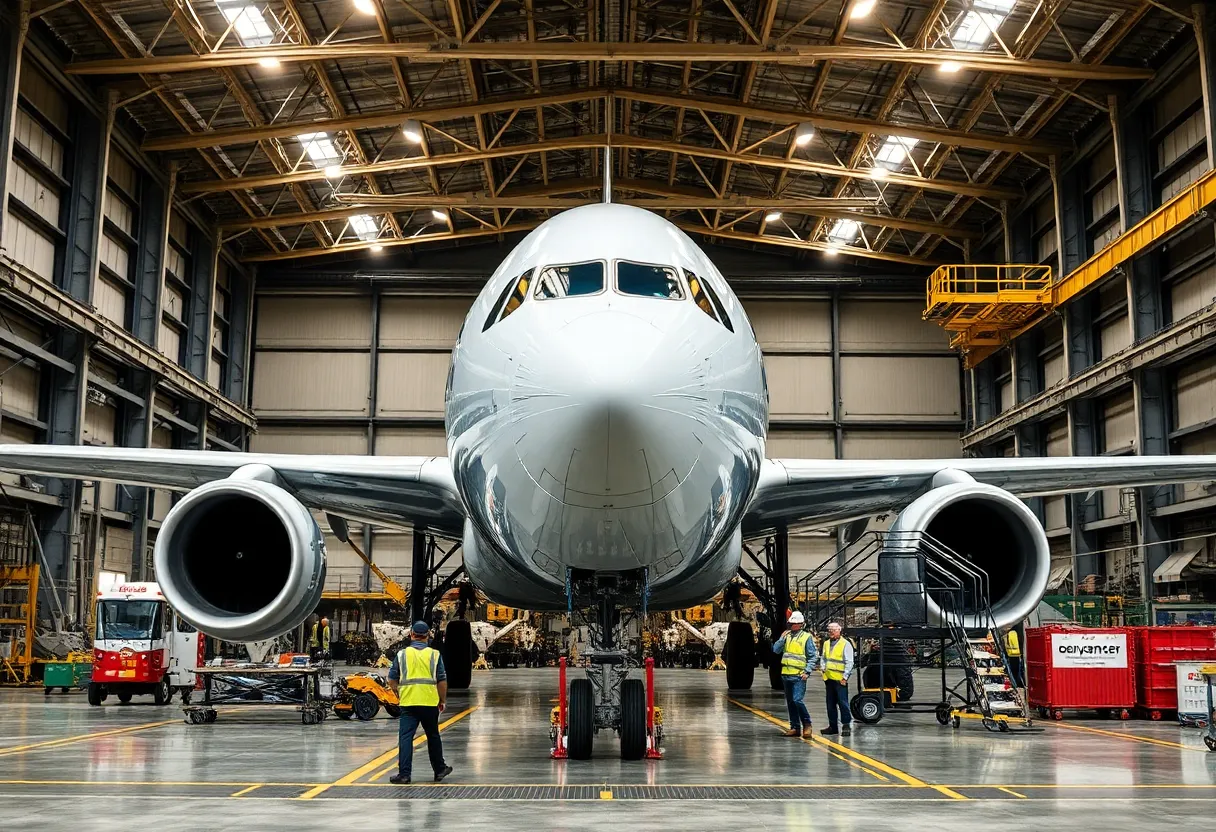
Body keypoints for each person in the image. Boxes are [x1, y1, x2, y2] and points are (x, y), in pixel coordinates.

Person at [386, 621, 453, 785]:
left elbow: (391, 679)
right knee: (432, 736)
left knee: (406, 738)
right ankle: (439, 770)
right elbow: (442, 680)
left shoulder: (402, 655)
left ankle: (404, 774)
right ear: (428, 635)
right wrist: (442, 700)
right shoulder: (434, 655)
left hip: (408, 703)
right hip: (429, 703)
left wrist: (399, 693)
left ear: (411, 634)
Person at [771, 611, 819, 738]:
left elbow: (813, 656)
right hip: (786, 674)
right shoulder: (787, 637)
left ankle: (807, 724)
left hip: (799, 675)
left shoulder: (806, 637)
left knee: (797, 700)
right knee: (791, 702)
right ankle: (795, 727)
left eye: (793, 624)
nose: (790, 626)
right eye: (790, 623)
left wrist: (807, 671)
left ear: (800, 624)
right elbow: (776, 650)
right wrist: (781, 638)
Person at [818, 621, 854, 736]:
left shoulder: (845, 644)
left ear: (839, 631)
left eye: (833, 631)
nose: (831, 633)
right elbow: (823, 658)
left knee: (843, 703)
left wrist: (845, 677)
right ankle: (833, 726)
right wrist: (823, 668)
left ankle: (846, 725)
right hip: (829, 679)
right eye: (830, 631)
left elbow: (849, 662)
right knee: (830, 704)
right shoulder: (827, 643)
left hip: (840, 680)